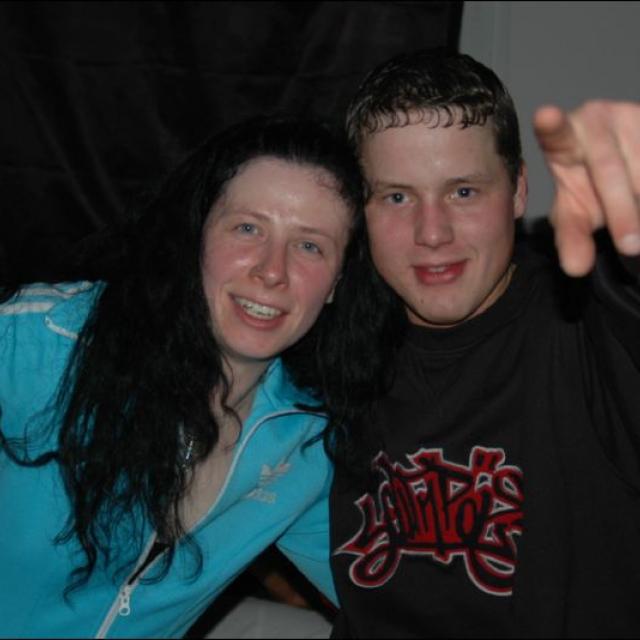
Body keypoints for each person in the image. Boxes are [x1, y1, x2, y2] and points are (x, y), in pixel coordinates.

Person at [0, 114, 382, 638]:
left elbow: (391, 599)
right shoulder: (44, 342)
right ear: (197, 234)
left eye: (310, 245)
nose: (272, 270)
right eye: (248, 228)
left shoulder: (306, 443)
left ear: (337, 283)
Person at [328, 48, 640, 637]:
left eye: (464, 192)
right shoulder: (339, 345)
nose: (432, 232)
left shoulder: (590, 328)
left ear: (518, 190)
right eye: (397, 196)